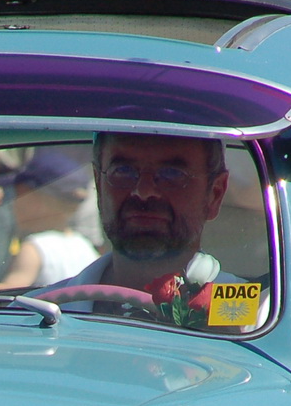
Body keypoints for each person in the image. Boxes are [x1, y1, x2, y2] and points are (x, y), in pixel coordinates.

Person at [37, 132, 261, 330]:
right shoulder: (35, 315)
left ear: (215, 194)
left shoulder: (255, 315)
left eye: (173, 174)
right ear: (99, 183)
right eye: (123, 171)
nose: (143, 192)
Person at [0, 149, 100, 290]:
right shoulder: (86, 248)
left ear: (39, 201)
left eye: (20, 194)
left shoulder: (34, 249)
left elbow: (7, 293)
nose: (14, 202)